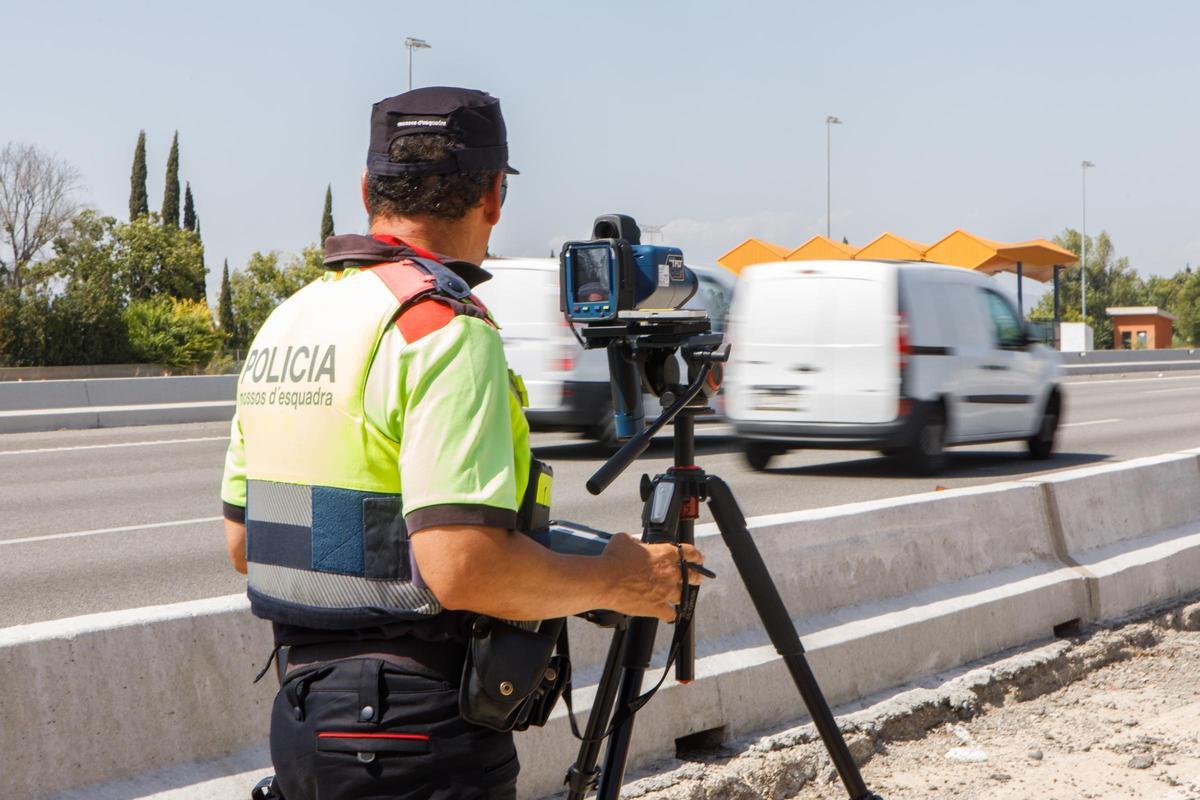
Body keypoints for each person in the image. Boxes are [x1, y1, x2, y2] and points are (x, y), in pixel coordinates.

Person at [219, 86, 705, 800]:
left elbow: (246, 544)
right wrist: (618, 581)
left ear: (367, 190)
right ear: (493, 195)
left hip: (303, 716)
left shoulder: (287, 322)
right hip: (416, 734)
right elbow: (464, 569)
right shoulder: (442, 330)